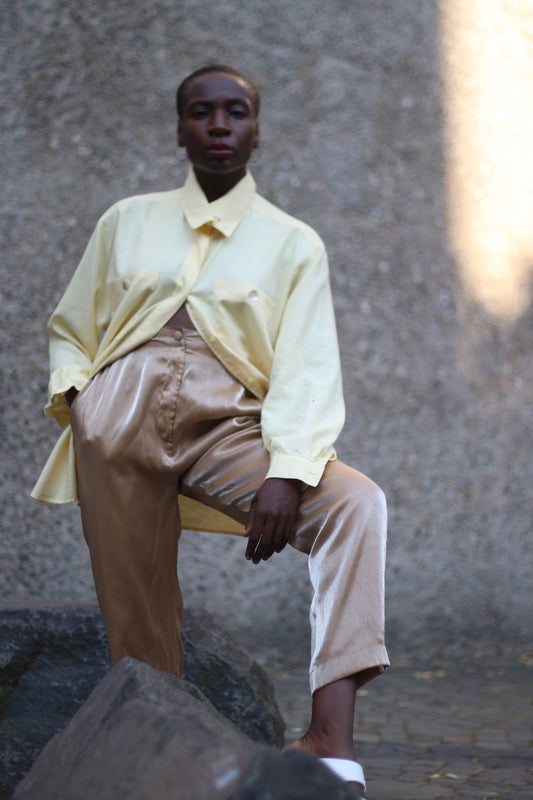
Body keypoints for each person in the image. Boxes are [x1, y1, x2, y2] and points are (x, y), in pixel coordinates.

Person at [32, 64, 389, 797]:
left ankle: (331, 735)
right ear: (179, 128)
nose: (218, 125)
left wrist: (287, 471)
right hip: (119, 416)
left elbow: (307, 366)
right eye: (202, 112)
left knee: (355, 505)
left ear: (256, 129)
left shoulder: (293, 244)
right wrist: (82, 399)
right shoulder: (125, 221)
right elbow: (71, 326)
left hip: (230, 421)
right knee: (138, 617)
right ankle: (155, 757)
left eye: (235, 112)